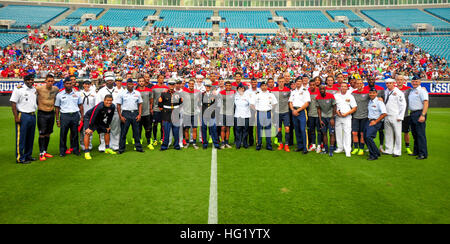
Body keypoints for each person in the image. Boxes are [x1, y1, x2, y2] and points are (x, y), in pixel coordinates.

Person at [10, 74, 38, 164]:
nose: (30, 81)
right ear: (24, 80)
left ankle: (28, 155)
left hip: (33, 115)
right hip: (23, 115)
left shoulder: (34, 89)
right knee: (21, 137)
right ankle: (20, 158)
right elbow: (13, 103)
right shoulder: (19, 89)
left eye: (32, 80)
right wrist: (16, 116)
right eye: (28, 80)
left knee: (30, 137)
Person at [55, 78, 84, 157]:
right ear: (64, 84)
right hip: (65, 116)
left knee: (75, 134)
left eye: (70, 83)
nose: (68, 85)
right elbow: (57, 107)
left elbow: (80, 105)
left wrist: (82, 116)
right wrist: (57, 119)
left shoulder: (77, 93)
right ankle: (62, 151)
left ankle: (75, 149)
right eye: (67, 83)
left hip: (75, 115)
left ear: (72, 84)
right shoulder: (59, 95)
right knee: (63, 134)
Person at [83, 95, 117, 160]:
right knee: (88, 133)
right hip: (89, 118)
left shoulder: (112, 106)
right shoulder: (100, 106)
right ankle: (86, 152)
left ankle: (107, 149)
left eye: (110, 101)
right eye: (107, 100)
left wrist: (107, 125)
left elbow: (110, 116)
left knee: (107, 131)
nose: (109, 102)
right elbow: (93, 116)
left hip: (99, 120)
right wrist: (90, 127)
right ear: (104, 100)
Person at [95, 75, 123, 151]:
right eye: (108, 80)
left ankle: (115, 145)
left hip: (116, 113)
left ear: (113, 81)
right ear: (106, 81)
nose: (110, 82)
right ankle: (103, 145)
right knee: (103, 130)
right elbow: (97, 103)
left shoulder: (118, 90)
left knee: (116, 129)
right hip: (104, 113)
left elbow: (121, 102)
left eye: (111, 80)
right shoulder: (101, 91)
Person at [35, 74, 59, 161]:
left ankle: (45, 151)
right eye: (48, 81)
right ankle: (41, 153)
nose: (50, 83)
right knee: (42, 133)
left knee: (48, 133)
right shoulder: (39, 88)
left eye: (51, 81)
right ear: (45, 81)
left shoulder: (55, 89)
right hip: (42, 113)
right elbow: (29, 90)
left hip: (51, 113)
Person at [117, 79, 144, 154]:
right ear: (126, 84)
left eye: (132, 84)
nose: (130, 85)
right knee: (123, 132)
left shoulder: (137, 93)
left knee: (136, 132)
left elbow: (140, 104)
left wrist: (139, 114)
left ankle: (138, 147)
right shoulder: (122, 93)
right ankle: (121, 149)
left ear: (134, 85)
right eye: (129, 84)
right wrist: (120, 116)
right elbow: (118, 105)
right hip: (125, 113)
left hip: (135, 113)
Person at [251, 81, 278, 151]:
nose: (264, 87)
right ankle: (259, 144)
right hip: (260, 112)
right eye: (262, 85)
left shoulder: (270, 94)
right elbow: (252, 104)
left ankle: (269, 145)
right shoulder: (257, 94)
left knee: (268, 129)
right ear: (260, 87)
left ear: (267, 86)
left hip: (268, 112)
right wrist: (256, 110)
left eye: (265, 85)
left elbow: (274, 103)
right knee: (259, 129)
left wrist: (271, 110)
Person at [383, 78, 407, 157]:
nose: (388, 85)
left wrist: (400, 116)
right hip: (386, 115)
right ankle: (388, 149)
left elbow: (403, 105)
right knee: (388, 133)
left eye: (390, 83)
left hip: (395, 115)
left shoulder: (399, 92)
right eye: (387, 83)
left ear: (394, 83)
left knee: (397, 134)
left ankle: (397, 151)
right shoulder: (386, 91)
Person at [334, 83, 358, 157]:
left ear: (347, 88)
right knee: (338, 132)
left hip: (347, 117)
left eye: (345, 86)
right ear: (340, 87)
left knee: (347, 133)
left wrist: (347, 113)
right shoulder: (336, 95)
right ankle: (340, 148)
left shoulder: (350, 96)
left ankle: (347, 150)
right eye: (342, 86)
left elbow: (354, 108)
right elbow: (334, 106)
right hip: (338, 116)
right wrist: (336, 111)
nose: (343, 88)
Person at [408, 76, 429, 160]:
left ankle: (423, 153)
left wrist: (423, 115)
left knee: (420, 134)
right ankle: (416, 151)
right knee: (415, 134)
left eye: (416, 81)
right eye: (413, 81)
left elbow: (426, 102)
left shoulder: (422, 91)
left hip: (419, 113)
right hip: (412, 114)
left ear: (420, 82)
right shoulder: (412, 91)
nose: (414, 83)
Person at [159, 80, 183, 151]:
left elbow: (181, 103)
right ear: (168, 85)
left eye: (173, 85)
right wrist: (164, 112)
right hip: (166, 115)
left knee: (176, 131)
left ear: (175, 85)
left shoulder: (178, 94)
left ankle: (176, 145)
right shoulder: (163, 94)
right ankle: (164, 146)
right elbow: (160, 105)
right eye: (170, 84)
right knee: (166, 131)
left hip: (175, 114)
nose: (172, 86)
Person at [289, 77, 310, 154]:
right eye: (297, 81)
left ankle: (305, 147)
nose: (298, 83)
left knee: (303, 129)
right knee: (297, 130)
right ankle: (299, 146)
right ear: (295, 82)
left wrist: (297, 110)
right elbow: (290, 102)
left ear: (302, 82)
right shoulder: (293, 91)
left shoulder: (305, 91)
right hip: (294, 111)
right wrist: (293, 110)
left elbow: (307, 103)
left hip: (301, 112)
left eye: (300, 81)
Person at [365, 87, 387, 161]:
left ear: (376, 94)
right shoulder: (370, 101)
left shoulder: (379, 102)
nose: (372, 94)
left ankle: (373, 155)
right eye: (370, 93)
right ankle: (376, 152)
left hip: (376, 121)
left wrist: (376, 121)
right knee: (365, 136)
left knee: (368, 137)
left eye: (373, 93)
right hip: (369, 120)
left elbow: (384, 113)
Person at [316, 83, 336, 157]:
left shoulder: (331, 96)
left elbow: (334, 107)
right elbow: (318, 109)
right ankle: (326, 149)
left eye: (323, 89)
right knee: (324, 133)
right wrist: (320, 119)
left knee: (331, 134)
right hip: (323, 118)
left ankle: (331, 150)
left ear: (325, 89)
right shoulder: (317, 97)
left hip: (330, 117)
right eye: (320, 89)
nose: (322, 90)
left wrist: (332, 118)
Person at [272, 75, 291, 152]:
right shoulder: (274, 90)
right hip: (277, 112)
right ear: (277, 82)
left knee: (287, 128)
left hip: (285, 112)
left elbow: (290, 100)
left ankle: (286, 144)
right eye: (280, 81)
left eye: (282, 81)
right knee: (279, 129)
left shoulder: (288, 90)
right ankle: (280, 143)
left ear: (284, 82)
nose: (281, 83)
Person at [351, 79, 370, 156]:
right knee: (354, 133)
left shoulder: (367, 93)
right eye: (357, 83)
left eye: (360, 83)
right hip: (355, 116)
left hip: (364, 116)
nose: (359, 85)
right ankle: (356, 148)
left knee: (362, 133)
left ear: (363, 84)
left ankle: (361, 149)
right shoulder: (353, 93)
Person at [136, 76, 154, 150]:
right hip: (138, 114)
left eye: (142, 81)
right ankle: (139, 143)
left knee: (148, 129)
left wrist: (150, 108)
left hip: (147, 113)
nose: (141, 82)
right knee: (138, 129)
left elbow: (151, 100)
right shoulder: (136, 91)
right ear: (138, 82)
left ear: (144, 82)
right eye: (140, 81)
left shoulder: (149, 90)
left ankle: (149, 143)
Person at [201, 80, 221, 149]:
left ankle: (216, 143)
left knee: (213, 129)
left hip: (212, 114)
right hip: (204, 114)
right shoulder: (202, 94)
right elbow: (199, 104)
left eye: (209, 86)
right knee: (204, 129)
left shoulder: (214, 94)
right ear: (205, 86)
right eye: (206, 86)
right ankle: (205, 144)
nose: (208, 87)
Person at [182, 79, 201, 149]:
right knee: (186, 129)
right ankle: (187, 142)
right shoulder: (184, 92)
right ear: (188, 84)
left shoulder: (197, 92)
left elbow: (200, 102)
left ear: (194, 84)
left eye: (192, 84)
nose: (191, 85)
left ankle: (194, 143)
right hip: (186, 113)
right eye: (190, 83)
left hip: (195, 113)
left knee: (194, 129)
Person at [396, 75, 413, 155]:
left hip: (405, 115)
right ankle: (395, 147)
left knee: (406, 132)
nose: (399, 81)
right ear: (396, 81)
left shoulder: (408, 90)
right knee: (394, 132)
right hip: (395, 115)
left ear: (404, 81)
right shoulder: (393, 89)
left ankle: (407, 147)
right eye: (398, 80)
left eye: (401, 80)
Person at [79, 79, 96, 152]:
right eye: (85, 84)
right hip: (81, 115)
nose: (87, 85)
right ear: (83, 85)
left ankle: (89, 145)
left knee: (89, 131)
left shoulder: (94, 93)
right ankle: (83, 145)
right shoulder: (79, 93)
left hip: (90, 115)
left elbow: (95, 105)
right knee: (81, 131)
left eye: (88, 84)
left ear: (90, 85)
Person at [150, 74, 168, 146]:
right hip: (156, 109)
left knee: (163, 125)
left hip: (164, 109)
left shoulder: (166, 88)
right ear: (157, 79)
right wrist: (151, 108)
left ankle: (161, 138)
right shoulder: (154, 88)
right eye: (160, 78)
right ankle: (155, 139)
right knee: (155, 124)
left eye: (162, 78)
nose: (161, 79)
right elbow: (152, 99)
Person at [218, 81, 235, 149]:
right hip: (222, 112)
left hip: (230, 113)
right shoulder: (221, 93)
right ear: (225, 86)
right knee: (222, 127)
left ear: (231, 86)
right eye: (227, 85)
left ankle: (227, 142)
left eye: (229, 85)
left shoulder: (233, 93)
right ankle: (222, 142)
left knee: (228, 128)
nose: (228, 87)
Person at [234, 83, 251, 149]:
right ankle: (238, 144)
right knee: (238, 130)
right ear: (237, 89)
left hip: (246, 115)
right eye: (239, 88)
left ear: (244, 89)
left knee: (245, 130)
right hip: (238, 115)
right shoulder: (235, 96)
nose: (241, 89)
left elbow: (251, 103)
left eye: (242, 88)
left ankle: (245, 143)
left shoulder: (247, 96)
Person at [243, 78, 259, 147]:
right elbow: (245, 100)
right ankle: (250, 141)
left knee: (258, 126)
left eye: (255, 82)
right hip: (249, 110)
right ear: (251, 83)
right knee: (249, 127)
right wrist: (251, 105)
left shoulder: (260, 91)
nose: (254, 83)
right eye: (252, 82)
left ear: (257, 83)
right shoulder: (247, 92)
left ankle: (258, 141)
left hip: (258, 110)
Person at [307, 78, 321, 153]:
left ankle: (319, 145)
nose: (312, 86)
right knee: (312, 130)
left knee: (319, 131)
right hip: (310, 114)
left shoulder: (319, 91)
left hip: (318, 115)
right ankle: (313, 144)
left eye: (313, 85)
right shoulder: (307, 92)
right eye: (311, 85)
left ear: (316, 85)